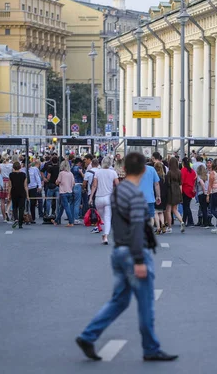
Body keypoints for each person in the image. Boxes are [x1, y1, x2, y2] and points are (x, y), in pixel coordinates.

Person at [75, 152, 178, 363]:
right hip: (134, 253)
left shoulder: (118, 191)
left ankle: (88, 335)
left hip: (119, 251)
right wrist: (140, 260)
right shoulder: (136, 195)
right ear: (142, 170)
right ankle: (151, 347)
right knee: (147, 303)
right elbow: (138, 229)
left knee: (119, 301)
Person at [90, 157, 119, 245]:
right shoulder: (113, 172)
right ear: (110, 163)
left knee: (102, 218)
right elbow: (118, 185)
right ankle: (105, 235)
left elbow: (94, 186)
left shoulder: (97, 172)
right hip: (109, 198)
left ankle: (104, 234)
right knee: (108, 217)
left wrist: (91, 197)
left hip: (99, 197)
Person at [53, 160, 75, 227]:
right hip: (70, 192)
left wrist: (57, 182)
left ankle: (71, 222)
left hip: (63, 192)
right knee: (62, 207)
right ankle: (56, 220)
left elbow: (58, 181)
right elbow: (73, 183)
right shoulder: (71, 173)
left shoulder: (61, 173)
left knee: (66, 207)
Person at [8, 161, 28, 229]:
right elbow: (25, 186)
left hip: (14, 192)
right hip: (22, 192)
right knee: (21, 208)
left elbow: (10, 186)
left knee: (14, 207)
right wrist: (27, 195)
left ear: (13, 167)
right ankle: (20, 223)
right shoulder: (23, 174)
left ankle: (16, 218)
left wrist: (8, 194)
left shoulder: (11, 175)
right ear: (20, 167)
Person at [180, 157, 197, 227]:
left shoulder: (183, 170)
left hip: (185, 189)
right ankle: (184, 220)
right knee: (186, 206)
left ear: (183, 163)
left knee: (186, 206)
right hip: (191, 190)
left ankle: (190, 221)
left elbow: (182, 181)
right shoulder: (192, 171)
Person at [207, 159, 217, 227]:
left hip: (214, 191)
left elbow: (210, 184)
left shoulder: (212, 173)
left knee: (212, 209)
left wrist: (208, 194)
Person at [154, 162, 168, 234]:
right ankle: (163, 223)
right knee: (161, 212)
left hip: (157, 195)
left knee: (155, 212)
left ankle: (158, 227)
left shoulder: (155, 176)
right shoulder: (165, 176)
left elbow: (155, 186)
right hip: (164, 196)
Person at [27, 160, 43, 224]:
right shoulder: (22, 170)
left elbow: (37, 178)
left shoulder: (34, 169)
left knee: (33, 203)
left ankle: (33, 218)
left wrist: (39, 186)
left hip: (33, 187)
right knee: (25, 203)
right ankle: (25, 217)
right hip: (26, 188)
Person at [195, 164, 209, 229]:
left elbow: (202, 184)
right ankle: (206, 222)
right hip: (207, 193)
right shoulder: (207, 176)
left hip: (201, 193)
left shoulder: (199, 177)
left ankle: (205, 223)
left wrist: (204, 191)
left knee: (203, 209)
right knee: (206, 208)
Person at [71, 158, 85, 225]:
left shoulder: (72, 168)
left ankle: (72, 218)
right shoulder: (79, 168)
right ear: (79, 162)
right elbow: (83, 177)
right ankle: (76, 219)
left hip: (73, 185)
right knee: (77, 203)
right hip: (78, 185)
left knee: (72, 203)